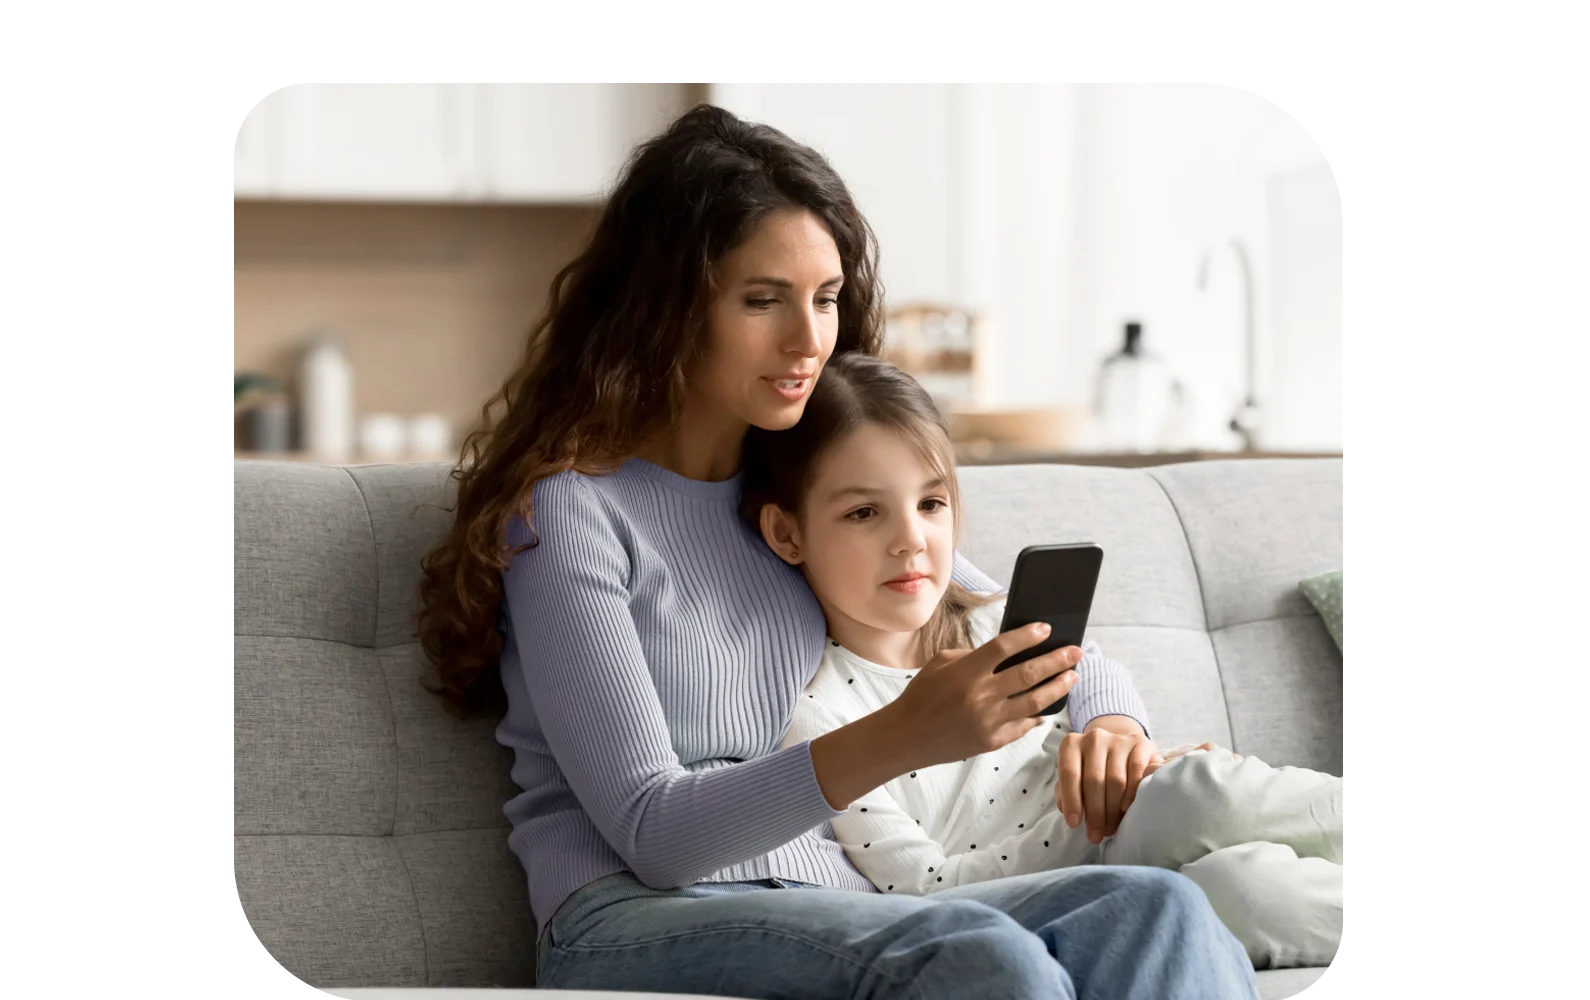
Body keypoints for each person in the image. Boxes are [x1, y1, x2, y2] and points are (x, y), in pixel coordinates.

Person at [415, 103, 1259, 999]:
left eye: (824, 299)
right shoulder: (571, 514)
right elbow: (655, 836)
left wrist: (1114, 729)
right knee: (981, 958)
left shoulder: (797, 503)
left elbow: (1028, 639)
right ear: (664, 307)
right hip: (628, 913)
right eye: (762, 299)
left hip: (838, 903)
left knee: (1157, 909)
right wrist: (903, 732)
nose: (809, 340)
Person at [746, 351, 1345, 971]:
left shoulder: (993, 625)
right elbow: (925, 892)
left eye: (931, 504)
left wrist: (1122, 742)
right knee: (1232, 890)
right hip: (1075, 886)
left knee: (1202, 812)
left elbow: (1092, 672)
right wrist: (1104, 819)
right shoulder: (822, 723)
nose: (911, 540)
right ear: (788, 534)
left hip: (1141, 828)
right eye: (864, 513)